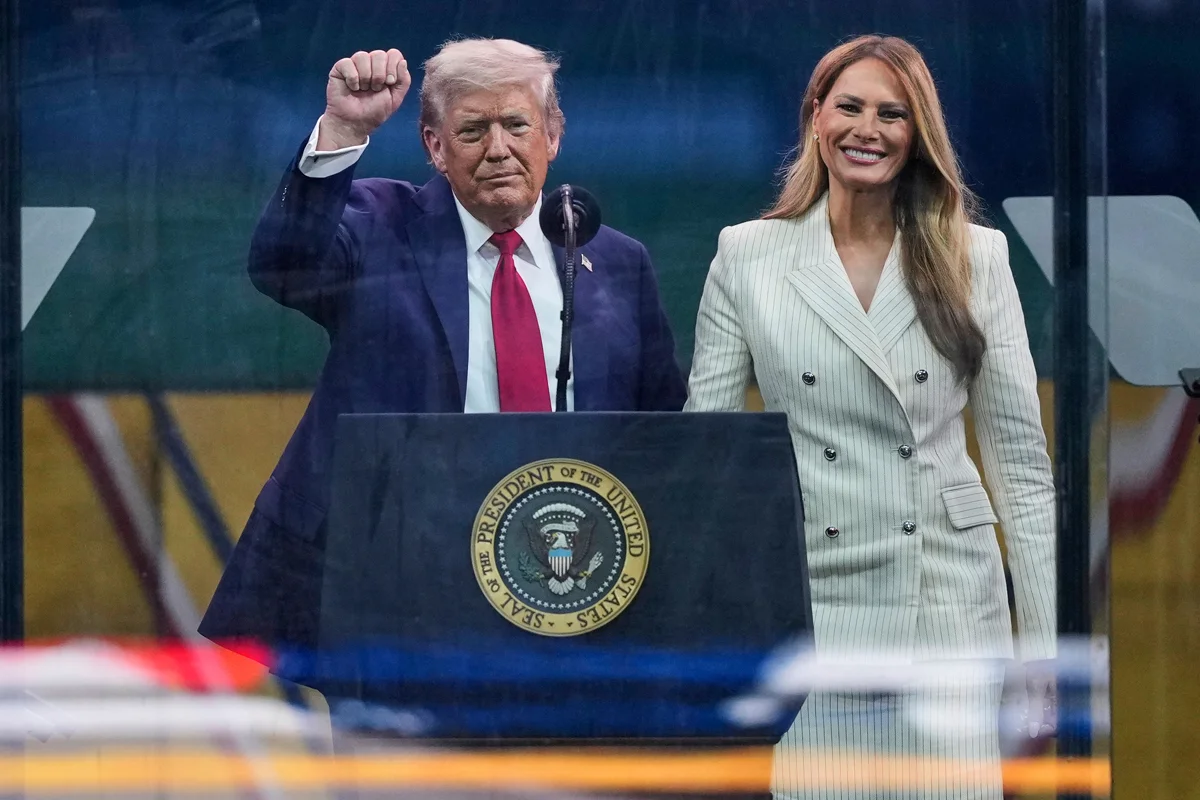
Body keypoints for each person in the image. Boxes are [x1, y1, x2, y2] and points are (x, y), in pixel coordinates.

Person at [199, 39, 686, 662]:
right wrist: (344, 129)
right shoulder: (379, 225)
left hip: (568, 586)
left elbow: (661, 438)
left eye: (517, 125)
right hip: (394, 588)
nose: (498, 148)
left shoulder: (616, 261)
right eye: (472, 130)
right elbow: (284, 265)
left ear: (553, 136)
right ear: (434, 146)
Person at [684, 35, 1057, 799]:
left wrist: (1045, 653)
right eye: (850, 107)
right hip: (814, 610)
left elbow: (1022, 471)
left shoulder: (976, 256)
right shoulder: (748, 256)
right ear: (816, 117)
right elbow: (706, 456)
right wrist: (713, 635)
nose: (869, 129)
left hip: (948, 607)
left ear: (918, 134)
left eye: (893, 114)